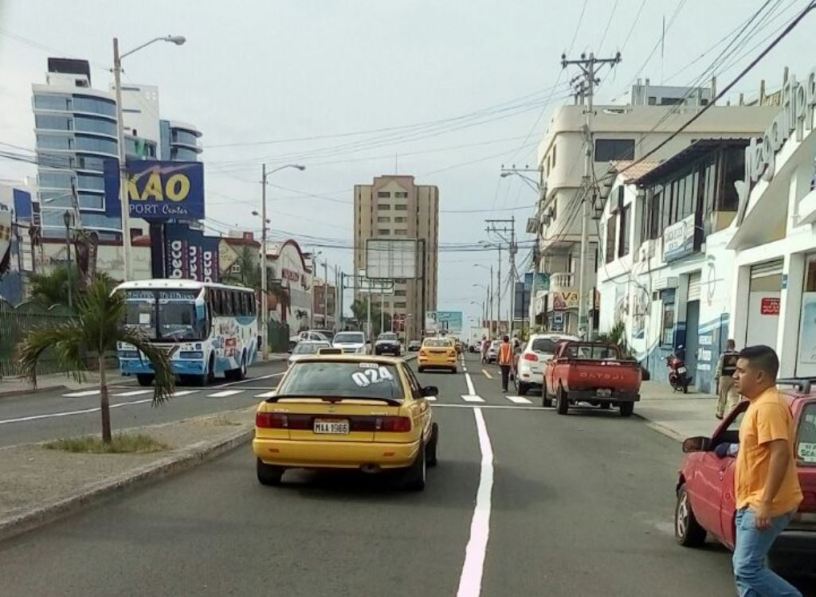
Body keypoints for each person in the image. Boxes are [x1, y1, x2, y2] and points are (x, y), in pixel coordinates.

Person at [719, 345, 803, 596]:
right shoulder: (758, 404)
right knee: (745, 571)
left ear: (760, 376)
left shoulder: (769, 406)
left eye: (741, 371)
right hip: (750, 501)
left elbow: (780, 453)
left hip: (764, 503)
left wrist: (765, 503)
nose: (735, 376)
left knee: (746, 568)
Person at [715, 339, 740, 419]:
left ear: (727, 345)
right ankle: (732, 415)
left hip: (724, 377)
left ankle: (720, 413)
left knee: (722, 396)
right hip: (734, 377)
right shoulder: (738, 355)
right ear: (734, 345)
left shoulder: (724, 355)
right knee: (734, 397)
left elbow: (719, 366)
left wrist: (717, 376)